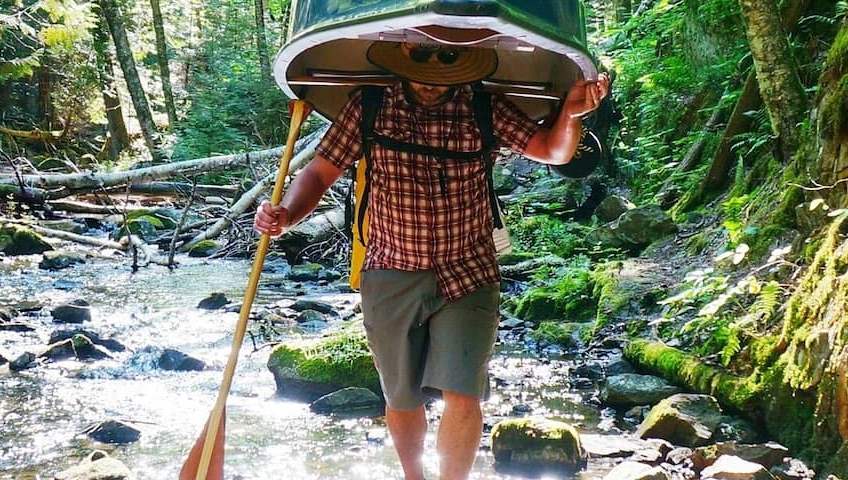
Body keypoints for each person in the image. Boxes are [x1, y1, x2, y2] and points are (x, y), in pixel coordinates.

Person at [252, 39, 609, 480]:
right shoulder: (369, 106)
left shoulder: (484, 107)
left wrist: (571, 114)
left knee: (464, 392)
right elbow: (321, 171)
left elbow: (552, 151)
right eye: (421, 58)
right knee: (401, 396)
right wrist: (287, 215)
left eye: (447, 59)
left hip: (470, 272)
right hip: (390, 269)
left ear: (465, 60)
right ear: (402, 54)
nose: (431, 75)